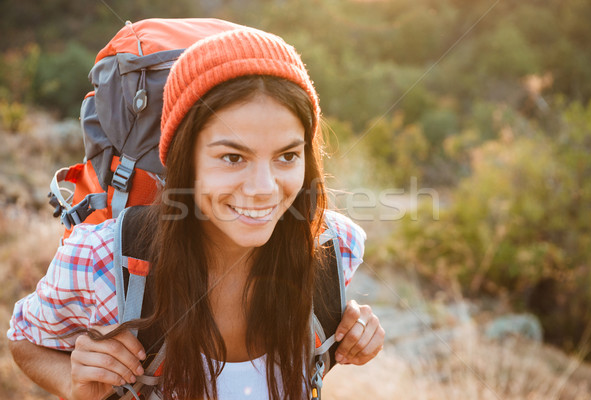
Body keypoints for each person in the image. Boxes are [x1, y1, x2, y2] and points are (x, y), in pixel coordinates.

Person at [7, 23, 385, 400]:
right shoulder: (104, 260)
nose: (263, 188)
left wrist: (354, 336)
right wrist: (72, 383)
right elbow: (24, 340)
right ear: (184, 159)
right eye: (233, 157)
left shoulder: (332, 246)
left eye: (287, 156)